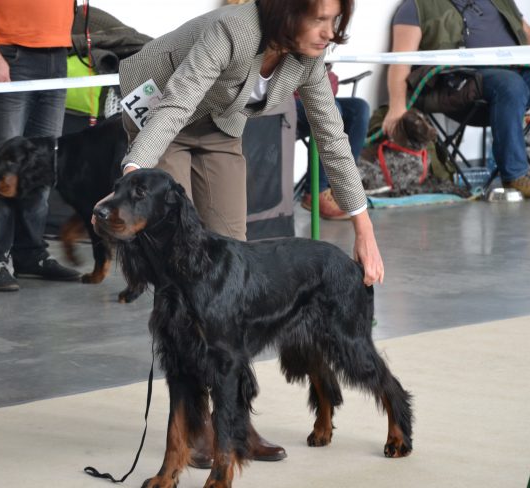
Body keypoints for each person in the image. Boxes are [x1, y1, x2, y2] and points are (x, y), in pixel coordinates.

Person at [92, 0, 384, 468]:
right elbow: (178, 101)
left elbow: (332, 137)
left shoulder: (307, 58)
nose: (330, 32)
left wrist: (363, 227)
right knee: (178, 260)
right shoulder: (232, 30)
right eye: (320, 19)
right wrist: (135, 172)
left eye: (336, 21)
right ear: (288, 13)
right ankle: (198, 425)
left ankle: (234, 420)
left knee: (232, 268)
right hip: (161, 107)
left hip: (220, 126)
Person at [384, 0, 530, 199]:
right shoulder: (416, 6)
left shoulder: (502, 2)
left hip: (516, 80)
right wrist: (397, 108)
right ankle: (516, 175)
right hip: (460, 86)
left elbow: (528, 33)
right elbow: (400, 60)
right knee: (510, 83)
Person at [0, 0, 81, 291]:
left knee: (40, 165)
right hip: (8, 53)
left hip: (56, 53)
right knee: (1, 164)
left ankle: (31, 255)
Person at [296, 64, 370, 220]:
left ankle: (340, 186)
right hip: (288, 98)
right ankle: (315, 191)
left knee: (360, 107)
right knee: (329, 109)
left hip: (313, 91)